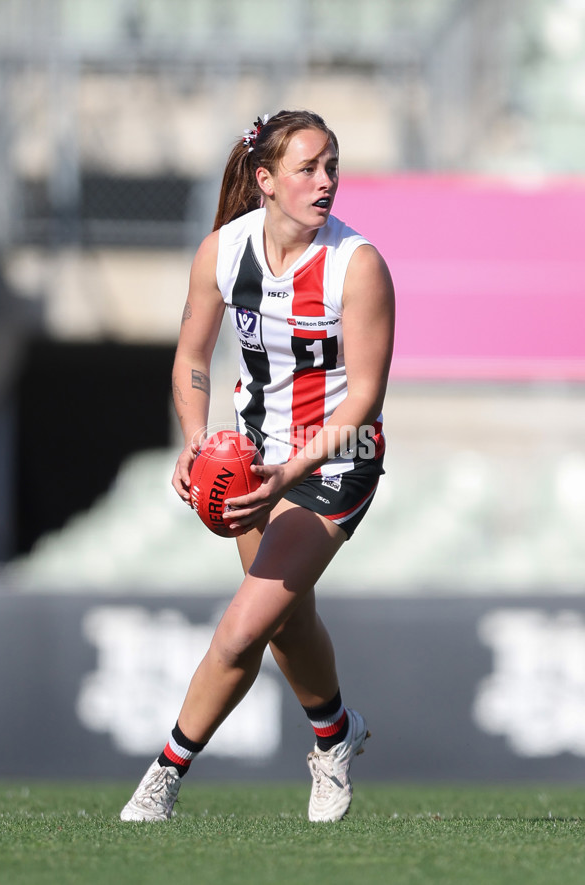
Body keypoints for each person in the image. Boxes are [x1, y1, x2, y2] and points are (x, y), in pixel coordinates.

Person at [120, 109, 395, 823]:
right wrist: (194, 438)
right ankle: (336, 737)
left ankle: (161, 779)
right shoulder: (222, 250)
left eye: (332, 165)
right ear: (266, 180)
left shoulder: (356, 264)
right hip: (255, 457)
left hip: (336, 459)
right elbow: (189, 357)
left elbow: (363, 399)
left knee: (244, 624)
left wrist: (286, 471)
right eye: (308, 168)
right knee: (284, 621)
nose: (326, 180)